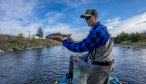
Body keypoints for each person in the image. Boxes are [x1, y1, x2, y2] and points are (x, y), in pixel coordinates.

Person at [55, 9, 114, 84]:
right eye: (85, 18)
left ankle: (71, 76)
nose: (86, 20)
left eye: (88, 17)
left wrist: (63, 41)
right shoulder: (99, 29)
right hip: (106, 64)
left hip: (100, 67)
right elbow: (87, 45)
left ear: (95, 17)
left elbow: (80, 48)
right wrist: (72, 41)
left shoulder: (98, 31)